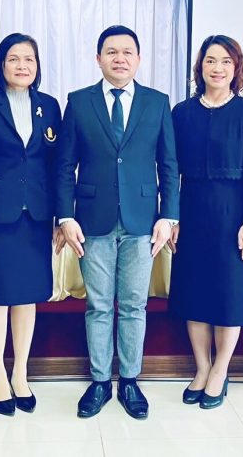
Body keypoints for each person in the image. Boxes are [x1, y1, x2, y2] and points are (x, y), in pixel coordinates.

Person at [56, 25, 179, 419]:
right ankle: (98, 382)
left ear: (139, 59)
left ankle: (129, 380)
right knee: (98, 305)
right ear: (98, 59)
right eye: (112, 52)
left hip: (142, 220)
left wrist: (169, 216)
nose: (120, 58)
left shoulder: (157, 103)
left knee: (133, 305)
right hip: (92, 219)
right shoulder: (79, 102)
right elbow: (65, 166)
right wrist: (65, 216)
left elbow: (169, 164)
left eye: (127, 52)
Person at [0, 33, 60, 416]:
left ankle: (20, 372)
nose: (22, 65)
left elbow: (55, 166)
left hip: (35, 217)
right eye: (14, 58)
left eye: (29, 59)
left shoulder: (49, 106)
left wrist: (59, 217)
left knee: (26, 297)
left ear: (37, 66)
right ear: (1, 64)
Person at [168, 35, 243, 410]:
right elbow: (171, 170)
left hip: (232, 215)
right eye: (211, 60)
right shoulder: (182, 113)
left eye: (226, 61)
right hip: (192, 211)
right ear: (200, 67)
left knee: (229, 294)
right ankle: (202, 367)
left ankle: (221, 370)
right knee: (194, 292)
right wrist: (172, 216)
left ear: (236, 68)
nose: (218, 68)